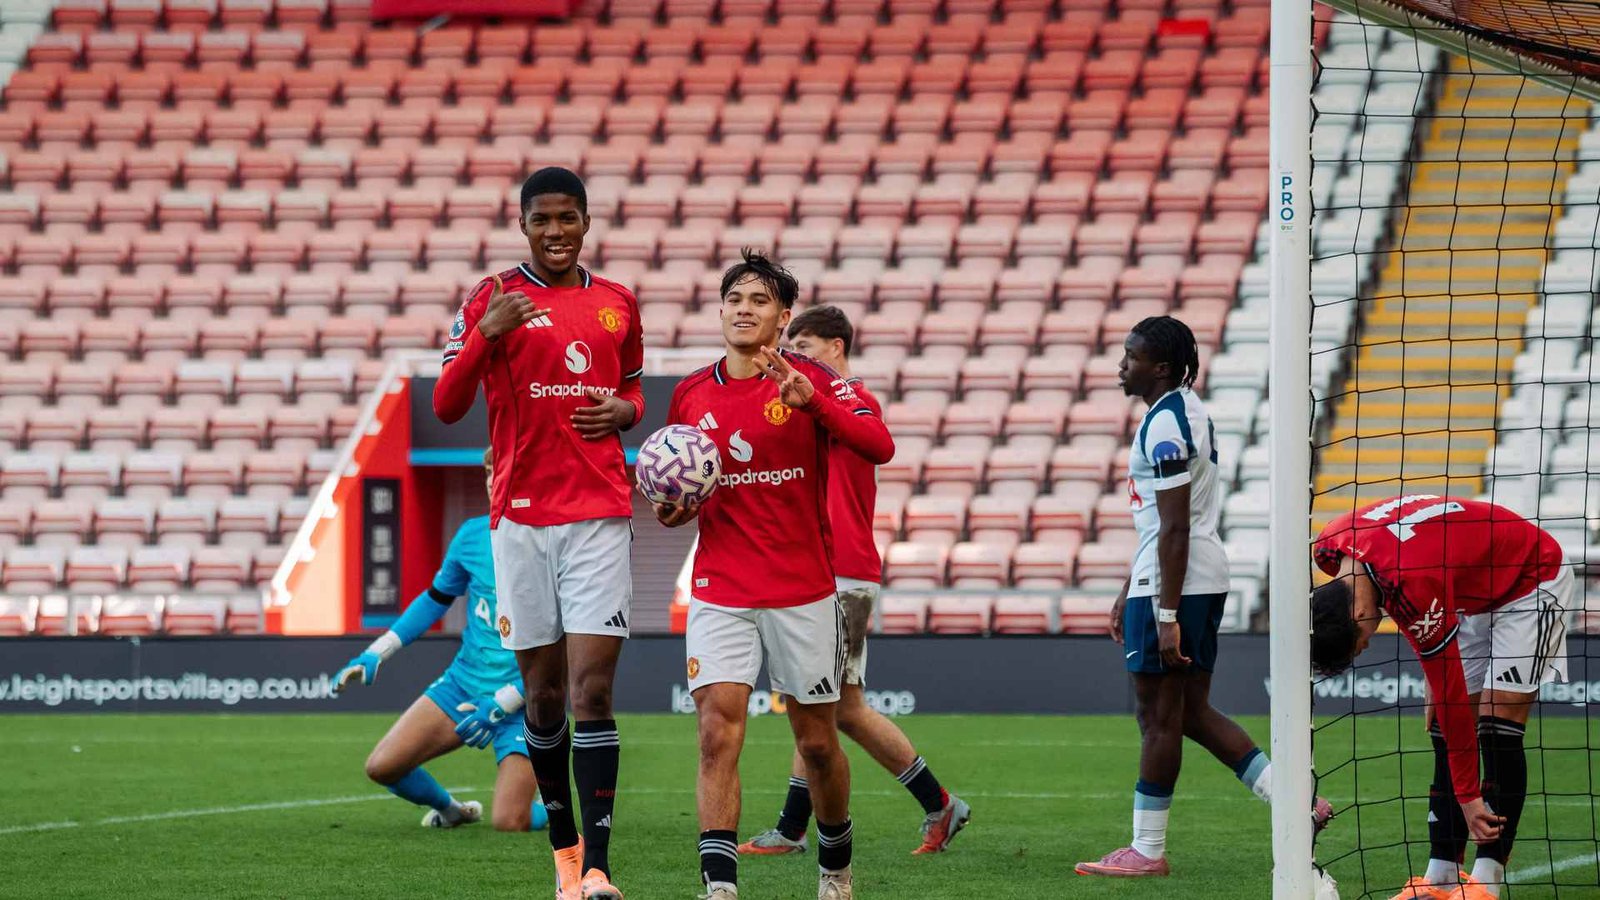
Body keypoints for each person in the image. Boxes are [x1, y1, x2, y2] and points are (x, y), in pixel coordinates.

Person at [654, 251, 895, 900]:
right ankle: (720, 886)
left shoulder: (814, 380)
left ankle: (836, 869)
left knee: (816, 744)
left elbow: (880, 445)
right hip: (721, 589)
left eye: (759, 301)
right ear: (720, 310)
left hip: (802, 590)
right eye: (734, 298)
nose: (743, 309)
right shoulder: (690, 393)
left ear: (783, 318)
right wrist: (674, 509)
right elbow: (683, 486)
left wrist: (814, 405)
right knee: (716, 731)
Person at [433, 167, 644, 900]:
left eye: (567, 218)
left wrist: (626, 412)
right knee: (544, 696)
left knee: (593, 692)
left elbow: (633, 387)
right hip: (520, 520)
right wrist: (484, 336)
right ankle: (564, 854)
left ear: (587, 221)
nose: (556, 232)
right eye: (542, 220)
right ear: (522, 225)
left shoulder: (618, 301)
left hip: (599, 514)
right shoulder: (491, 298)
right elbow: (448, 403)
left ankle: (599, 869)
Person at [1076, 316, 1331, 878]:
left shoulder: (1166, 425)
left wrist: (1165, 613)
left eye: (1132, 356)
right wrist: (1129, 586)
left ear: (1161, 368)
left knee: (1157, 717)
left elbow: (1175, 528)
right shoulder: (1185, 410)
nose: (1122, 365)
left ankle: (1147, 850)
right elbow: (1167, 524)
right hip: (1193, 575)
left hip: (1178, 582)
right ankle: (1296, 803)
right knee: (1190, 712)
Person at [737, 304, 970, 858]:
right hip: (820, 566)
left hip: (843, 568)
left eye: (806, 348)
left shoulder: (850, 399)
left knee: (840, 708)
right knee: (814, 701)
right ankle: (792, 829)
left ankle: (938, 803)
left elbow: (873, 440)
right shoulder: (803, 402)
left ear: (836, 347)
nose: (796, 359)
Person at [1311, 495, 1573, 900]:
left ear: (1357, 615)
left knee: (1496, 723)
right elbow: (1394, 585)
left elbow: (1407, 587)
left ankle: (1487, 882)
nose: (1365, 647)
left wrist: (1470, 797)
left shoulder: (1408, 580)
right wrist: (1431, 664)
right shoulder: (1331, 547)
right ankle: (1441, 876)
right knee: (1441, 726)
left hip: (1530, 577)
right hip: (1467, 588)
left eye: (1358, 645)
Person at [332, 449, 549, 833]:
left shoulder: (552, 543)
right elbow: (435, 599)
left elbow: (562, 646)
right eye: (488, 471)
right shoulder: (471, 536)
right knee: (383, 767)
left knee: (509, 820)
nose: (492, 479)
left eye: (500, 471)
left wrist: (504, 702)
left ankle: (556, 807)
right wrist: (377, 651)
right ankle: (452, 811)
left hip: (527, 698)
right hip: (463, 685)